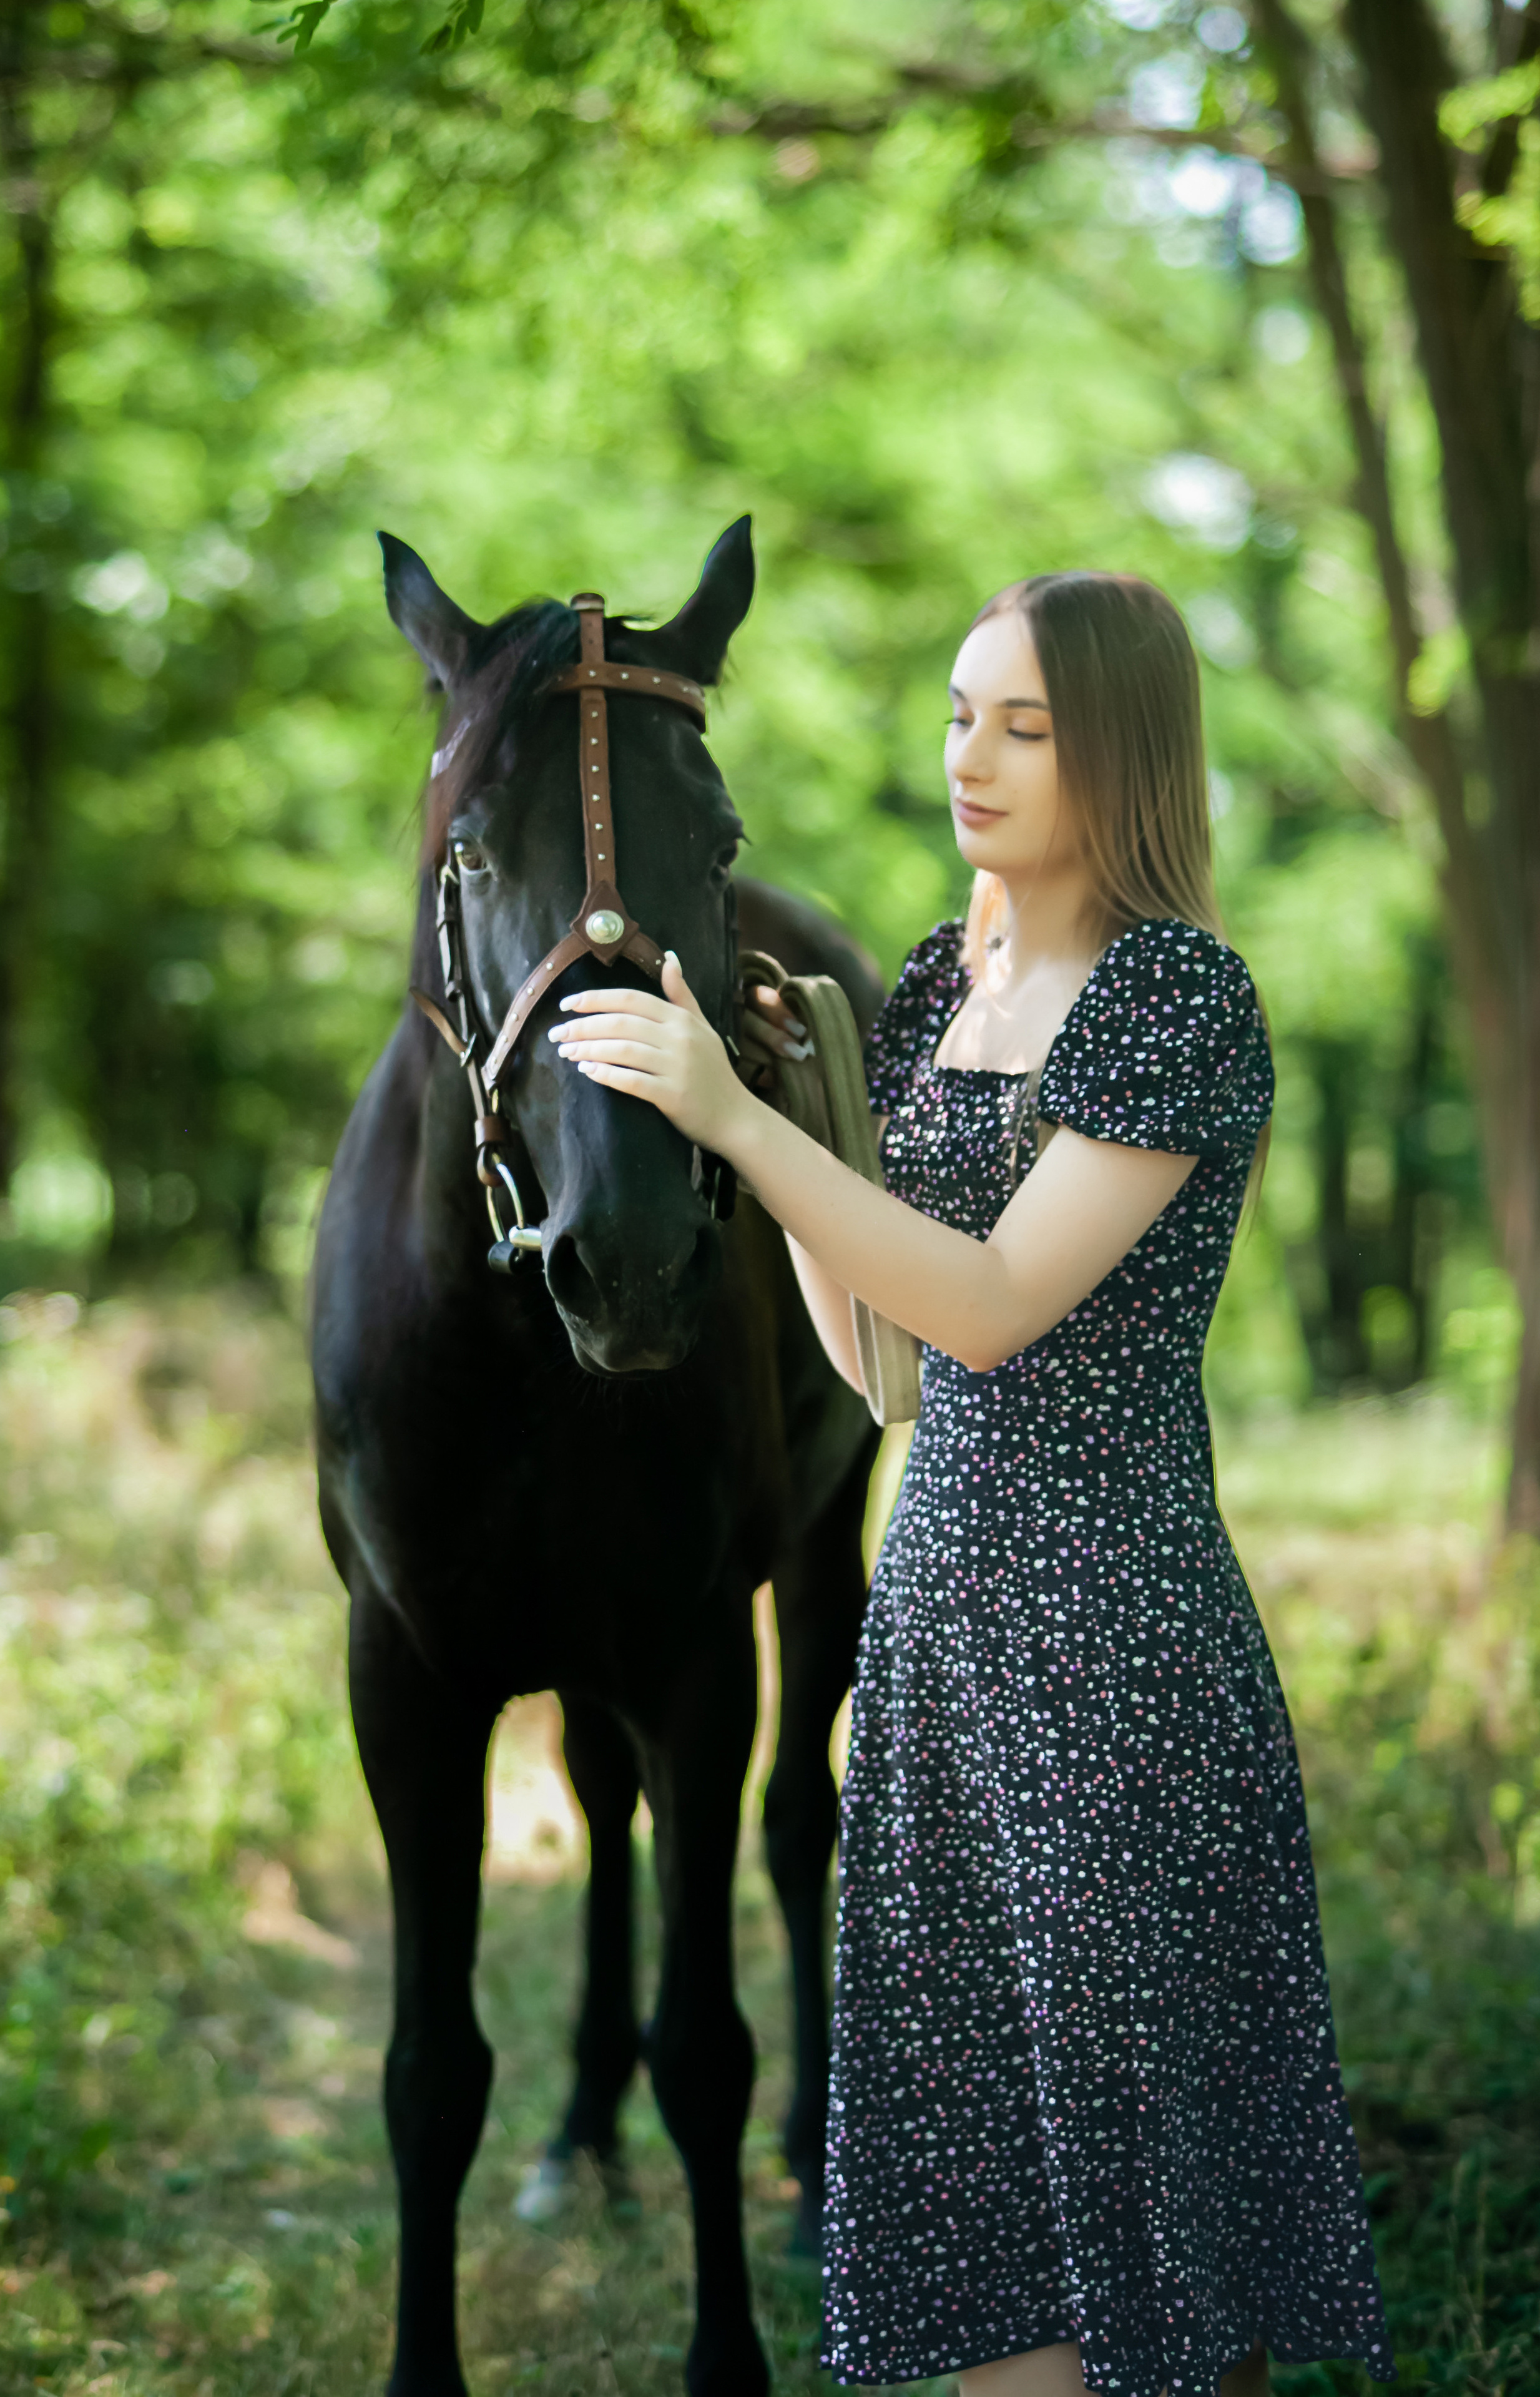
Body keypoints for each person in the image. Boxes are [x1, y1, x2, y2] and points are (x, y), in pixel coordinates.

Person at [547, 572, 1393, 2397]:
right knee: (985, 2194)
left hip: (1117, 1653)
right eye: (958, 713)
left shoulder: (1178, 996)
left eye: (1028, 725)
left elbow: (1002, 1307)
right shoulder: (943, 977)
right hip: (940, 1645)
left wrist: (741, 1122)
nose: (975, 759)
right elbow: (896, 1372)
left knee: (1147, 2196)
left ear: (1127, 753)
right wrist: (785, 1136)